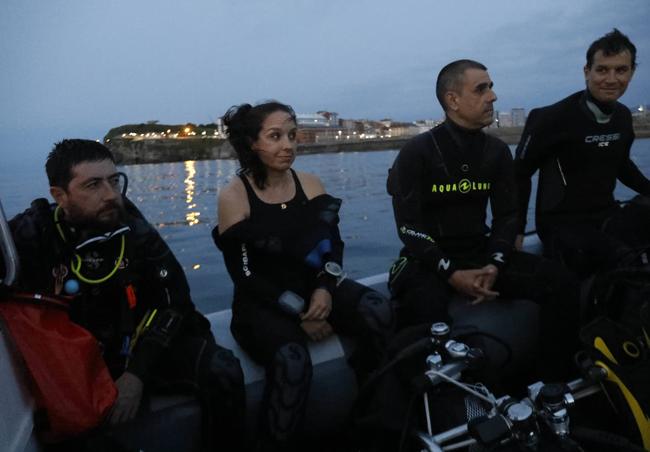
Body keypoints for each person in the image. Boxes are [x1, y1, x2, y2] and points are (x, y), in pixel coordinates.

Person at [4, 140, 245, 451]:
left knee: (222, 369)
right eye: (93, 184)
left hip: (137, 348)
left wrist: (137, 374)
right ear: (59, 195)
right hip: (77, 362)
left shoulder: (134, 230)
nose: (110, 194)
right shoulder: (32, 235)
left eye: (114, 180)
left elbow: (174, 301)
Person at [213, 101, 393, 451]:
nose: (288, 146)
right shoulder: (234, 195)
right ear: (253, 143)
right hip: (261, 302)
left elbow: (331, 246)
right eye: (276, 136)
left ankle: (374, 420)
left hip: (314, 286)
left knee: (377, 310)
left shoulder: (310, 183)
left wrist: (324, 290)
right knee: (291, 360)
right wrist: (300, 314)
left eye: (292, 136)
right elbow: (245, 275)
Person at [387, 59, 579, 377]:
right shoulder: (417, 152)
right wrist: (449, 272)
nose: (492, 96)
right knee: (425, 315)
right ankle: (442, 405)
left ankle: (551, 383)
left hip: (479, 253)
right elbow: (409, 227)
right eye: (481, 89)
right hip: (428, 262)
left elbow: (507, 216)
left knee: (562, 284)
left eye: (491, 87)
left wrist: (495, 263)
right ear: (453, 100)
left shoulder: (496, 151)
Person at [514, 29, 650, 277]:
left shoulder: (622, 116)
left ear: (632, 72)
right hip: (561, 224)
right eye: (602, 69)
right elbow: (519, 176)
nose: (611, 79)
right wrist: (517, 230)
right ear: (587, 72)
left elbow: (622, 165)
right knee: (624, 258)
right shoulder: (551, 118)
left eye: (621, 70)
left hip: (606, 215)